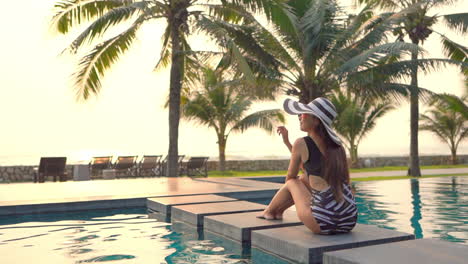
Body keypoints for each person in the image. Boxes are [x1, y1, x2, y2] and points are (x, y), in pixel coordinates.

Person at [257, 97, 357, 235]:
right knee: (304, 178)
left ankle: (270, 211)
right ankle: (275, 211)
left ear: (316, 120)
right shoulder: (338, 147)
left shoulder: (301, 143)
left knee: (293, 181)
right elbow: (310, 169)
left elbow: (290, 178)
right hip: (349, 222)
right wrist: (287, 142)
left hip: (322, 223)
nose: (299, 116)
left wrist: (296, 186)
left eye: (303, 113)